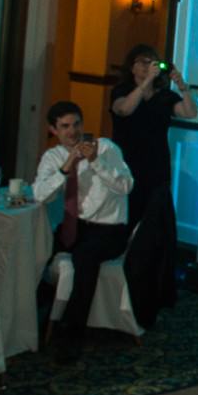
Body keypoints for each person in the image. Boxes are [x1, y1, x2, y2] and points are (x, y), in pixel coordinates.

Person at [33, 100, 133, 363]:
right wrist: (66, 167)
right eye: (65, 126)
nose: (73, 131)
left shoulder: (107, 148)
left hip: (109, 230)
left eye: (76, 124)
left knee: (84, 259)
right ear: (54, 130)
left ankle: (71, 335)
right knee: (34, 250)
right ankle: (31, 322)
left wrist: (95, 162)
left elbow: (126, 186)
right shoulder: (53, 157)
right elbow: (40, 195)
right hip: (74, 228)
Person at [109, 45, 197, 229]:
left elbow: (189, 113)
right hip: (127, 163)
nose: (148, 66)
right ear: (132, 67)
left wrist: (183, 88)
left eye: (152, 62)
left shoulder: (165, 96)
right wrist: (147, 81)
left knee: (154, 218)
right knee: (127, 214)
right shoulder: (122, 90)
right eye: (143, 62)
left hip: (156, 165)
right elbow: (124, 109)